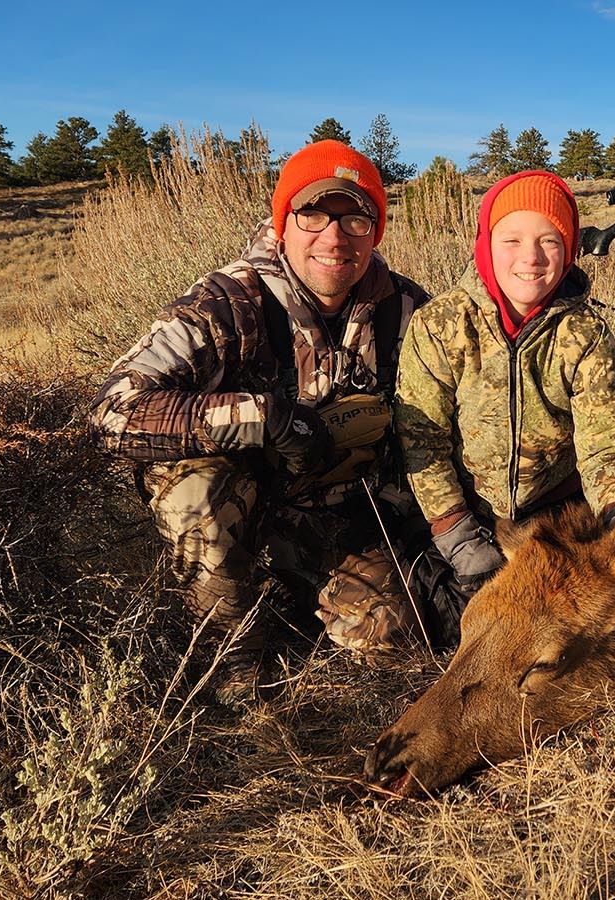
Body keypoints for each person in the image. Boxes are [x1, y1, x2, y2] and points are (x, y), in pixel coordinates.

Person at [90, 141, 431, 702]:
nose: (334, 236)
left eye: (355, 218)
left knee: (385, 633)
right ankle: (231, 657)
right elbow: (111, 411)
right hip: (240, 506)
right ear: (283, 222)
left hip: (336, 512)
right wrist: (261, 417)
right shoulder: (228, 302)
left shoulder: (404, 308)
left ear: (376, 230)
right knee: (194, 494)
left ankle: (303, 593)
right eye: (313, 213)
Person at [395, 169, 615, 604]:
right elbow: (423, 443)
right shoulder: (438, 325)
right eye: (511, 240)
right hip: (464, 513)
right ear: (486, 245)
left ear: (568, 251)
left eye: (549, 241)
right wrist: (459, 538)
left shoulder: (585, 333)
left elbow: (608, 443)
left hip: (552, 512)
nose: (531, 258)